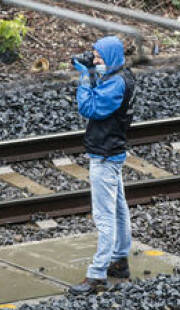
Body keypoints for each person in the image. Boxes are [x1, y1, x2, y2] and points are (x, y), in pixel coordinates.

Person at [68, 36, 136, 295]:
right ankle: (119, 259)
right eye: (94, 57)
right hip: (113, 153)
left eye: (99, 57)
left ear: (111, 57)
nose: (95, 61)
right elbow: (102, 93)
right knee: (119, 209)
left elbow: (89, 107)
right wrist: (94, 72)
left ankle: (96, 274)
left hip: (104, 156)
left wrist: (85, 77)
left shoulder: (117, 84)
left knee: (104, 217)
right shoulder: (123, 75)